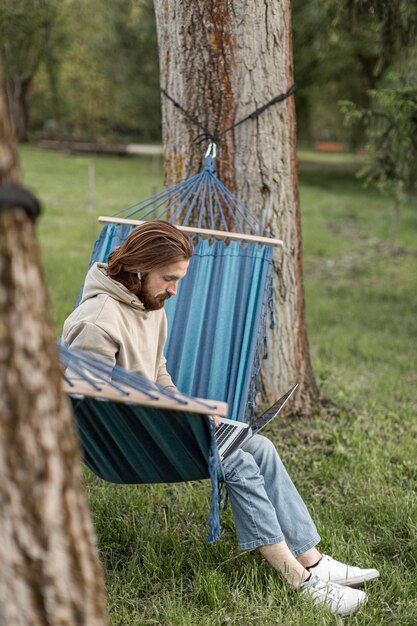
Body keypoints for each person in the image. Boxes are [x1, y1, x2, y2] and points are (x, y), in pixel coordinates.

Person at [63, 221, 379, 616]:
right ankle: (301, 583)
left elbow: (158, 373)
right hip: (127, 446)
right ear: (140, 268)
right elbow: (88, 404)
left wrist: (186, 409)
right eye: (169, 278)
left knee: (258, 446)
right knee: (235, 458)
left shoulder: (149, 304)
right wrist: (173, 421)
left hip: (159, 425)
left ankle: (312, 559)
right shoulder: (98, 321)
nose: (175, 289)